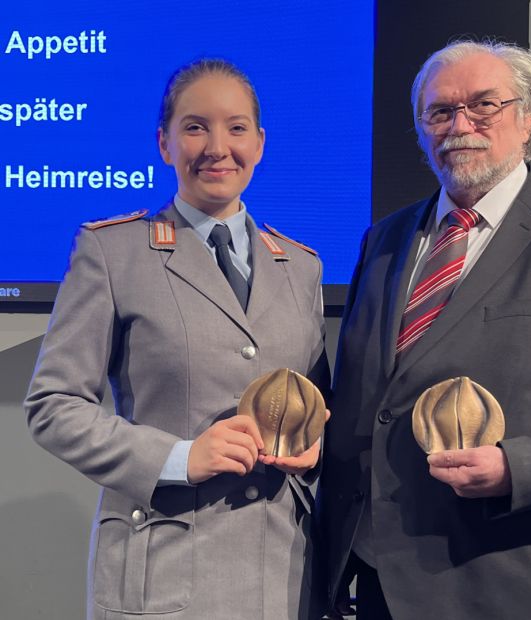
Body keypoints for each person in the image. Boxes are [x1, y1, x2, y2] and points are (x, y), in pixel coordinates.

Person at [320, 40, 531, 620]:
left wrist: (517, 469)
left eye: (484, 105)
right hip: (372, 577)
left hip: (505, 579)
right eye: (440, 111)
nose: (460, 125)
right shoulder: (384, 237)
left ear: (527, 119)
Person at [26, 58, 330, 620]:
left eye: (236, 128)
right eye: (195, 127)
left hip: (284, 575)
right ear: (164, 143)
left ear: (259, 144)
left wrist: (313, 451)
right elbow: (52, 406)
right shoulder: (112, 253)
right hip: (164, 570)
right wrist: (179, 457)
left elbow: (316, 405)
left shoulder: (302, 267)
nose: (218, 146)